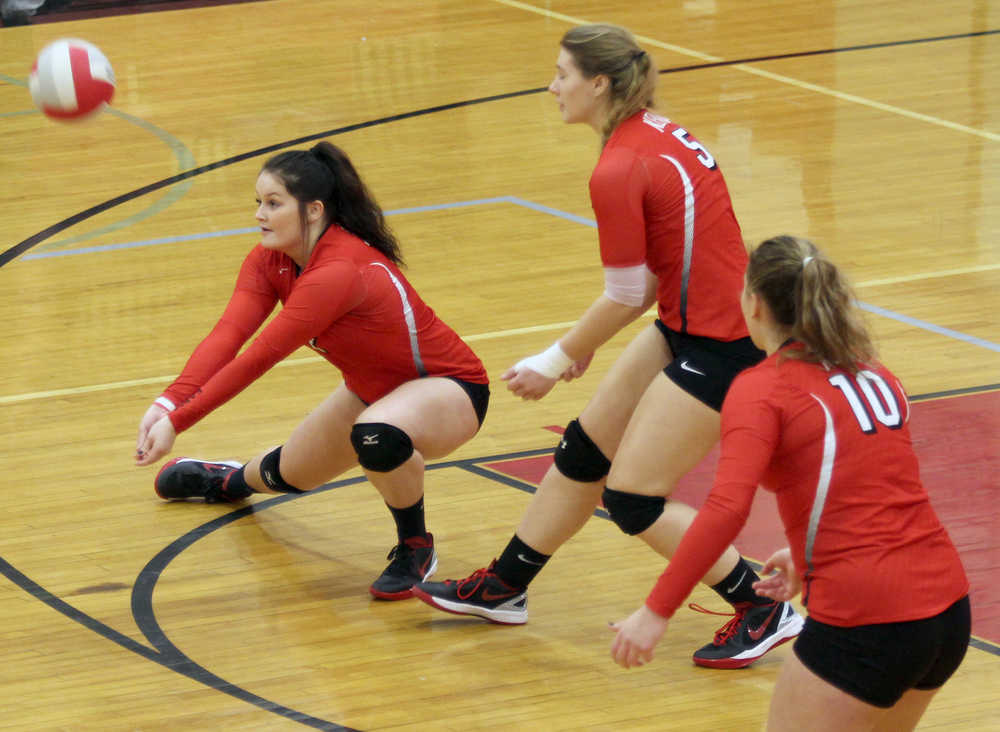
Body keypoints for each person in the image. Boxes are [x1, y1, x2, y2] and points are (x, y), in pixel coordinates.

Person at [413, 23, 803, 668]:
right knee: (585, 448)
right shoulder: (655, 132)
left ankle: (761, 604)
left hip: (726, 342)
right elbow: (653, 273)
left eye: (562, 74)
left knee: (633, 498)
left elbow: (626, 292)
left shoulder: (620, 165)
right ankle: (506, 586)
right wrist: (589, 341)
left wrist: (557, 357)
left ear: (598, 83)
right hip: (691, 320)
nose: (552, 86)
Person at [610, 235, 971, 730]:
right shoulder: (874, 372)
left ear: (753, 303)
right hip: (946, 613)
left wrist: (656, 611)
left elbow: (725, 510)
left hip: (864, 619)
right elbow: (872, 494)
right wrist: (806, 556)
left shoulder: (762, 388)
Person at [134, 141, 490, 601]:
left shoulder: (339, 270)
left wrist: (178, 422)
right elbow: (228, 336)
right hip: (371, 393)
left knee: (377, 434)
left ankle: (415, 547)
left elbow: (258, 357)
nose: (260, 214)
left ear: (314, 209)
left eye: (273, 203)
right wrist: (167, 401)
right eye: (258, 203)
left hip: (449, 390)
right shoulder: (270, 260)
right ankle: (226, 480)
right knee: (289, 474)